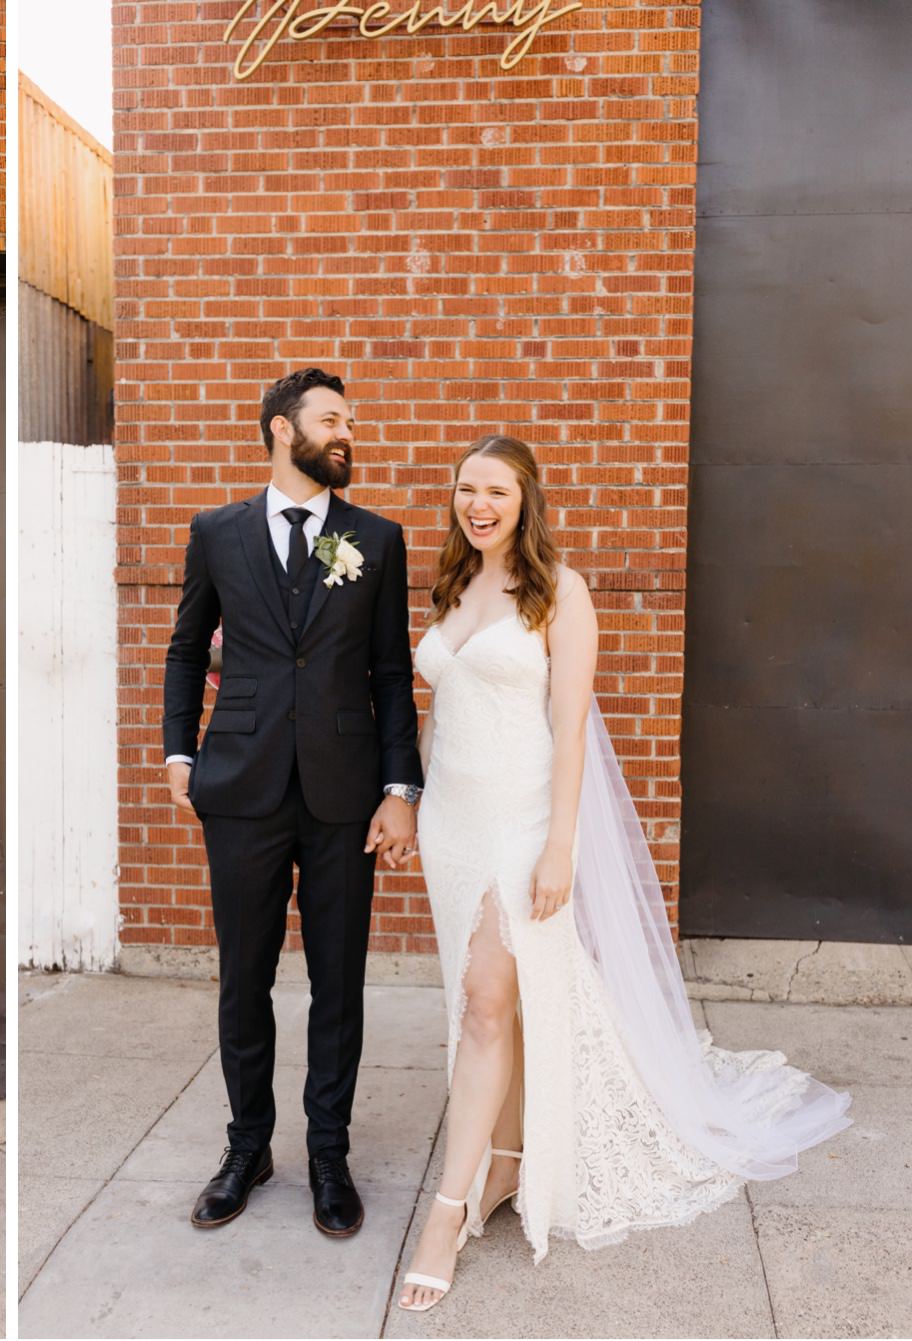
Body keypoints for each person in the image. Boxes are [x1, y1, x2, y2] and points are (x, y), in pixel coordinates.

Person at [397, 434, 851, 1310]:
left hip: (523, 820)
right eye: (465, 489)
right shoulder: (454, 585)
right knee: (490, 997)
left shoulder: (559, 592)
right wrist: (412, 801)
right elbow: (444, 707)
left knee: (489, 998)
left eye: (494, 490)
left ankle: (444, 1214)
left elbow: (569, 729)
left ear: (525, 499)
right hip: (453, 823)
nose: (476, 504)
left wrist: (560, 843)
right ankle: (504, 1164)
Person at [161, 367, 422, 1235]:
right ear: (281, 429)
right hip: (239, 786)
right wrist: (177, 750)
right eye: (331, 419)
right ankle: (247, 1146)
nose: (348, 431)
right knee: (244, 977)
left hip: (345, 794)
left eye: (350, 420)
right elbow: (185, 644)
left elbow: (390, 674)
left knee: (337, 980)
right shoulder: (217, 532)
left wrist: (400, 789)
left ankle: (327, 1153)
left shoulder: (376, 538)